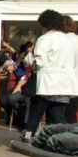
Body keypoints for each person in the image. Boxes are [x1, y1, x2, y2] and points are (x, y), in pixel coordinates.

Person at [22, 10, 78, 141]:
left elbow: (40, 61)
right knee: (58, 116)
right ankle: (63, 141)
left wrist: (29, 58)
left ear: (45, 23)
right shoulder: (67, 39)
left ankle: (26, 137)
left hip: (47, 84)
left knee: (36, 114)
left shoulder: (45, 38)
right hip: (64, 84)